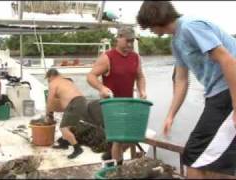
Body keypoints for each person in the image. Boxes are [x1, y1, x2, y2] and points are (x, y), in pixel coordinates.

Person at [137, 1, 236, 178]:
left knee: (194, 154)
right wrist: (170, 115)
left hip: (228, 91)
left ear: (155, 18)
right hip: (217, 95)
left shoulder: (191, 26)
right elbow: (181, 80)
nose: (148, 30)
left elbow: (227, 60)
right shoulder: (176, 42)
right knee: (215, 160)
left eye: (148, 26)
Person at [87, 26, 147, 166]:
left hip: (129, 103)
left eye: (133, 41)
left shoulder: (135, 57)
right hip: (111, 104)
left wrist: (142, 91)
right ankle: (117, 168)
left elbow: (140, 76)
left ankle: (110, 158)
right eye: (128, 41)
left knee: (133, 136)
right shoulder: (107, 57)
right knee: (118, 138)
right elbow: (90, 76)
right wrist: (101, 87)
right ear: (118, 38)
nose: (130, 44)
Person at [45, 68, 89, 159]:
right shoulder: (66, 81)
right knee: (67, 125)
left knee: (63, 128)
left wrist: (48, 114)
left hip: (74, 103)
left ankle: (77, 149)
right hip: (82, 101)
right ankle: (64, 143)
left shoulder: (53, 83)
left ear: (51, 76)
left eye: (48, 79)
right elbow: (64, 98)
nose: (48, 81)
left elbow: (49, 101)